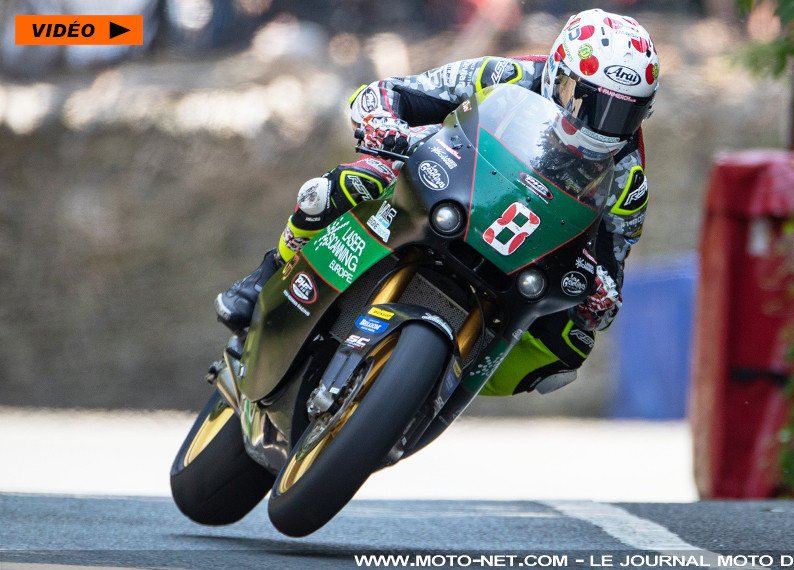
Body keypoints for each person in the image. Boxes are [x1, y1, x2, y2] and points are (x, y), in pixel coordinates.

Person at [215, 8, 659, 396]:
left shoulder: (628, 178)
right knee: (360, 180)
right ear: (556, 75)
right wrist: (383, 126)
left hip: (528, 252)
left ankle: (441, 387)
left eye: (622, 114)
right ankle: (271, 272)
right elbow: (391, 93)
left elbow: (612, 267)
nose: (601, 128)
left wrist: (600, 297)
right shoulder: (502, 75)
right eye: (587, 102)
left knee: (571, 343)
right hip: (451, 186)